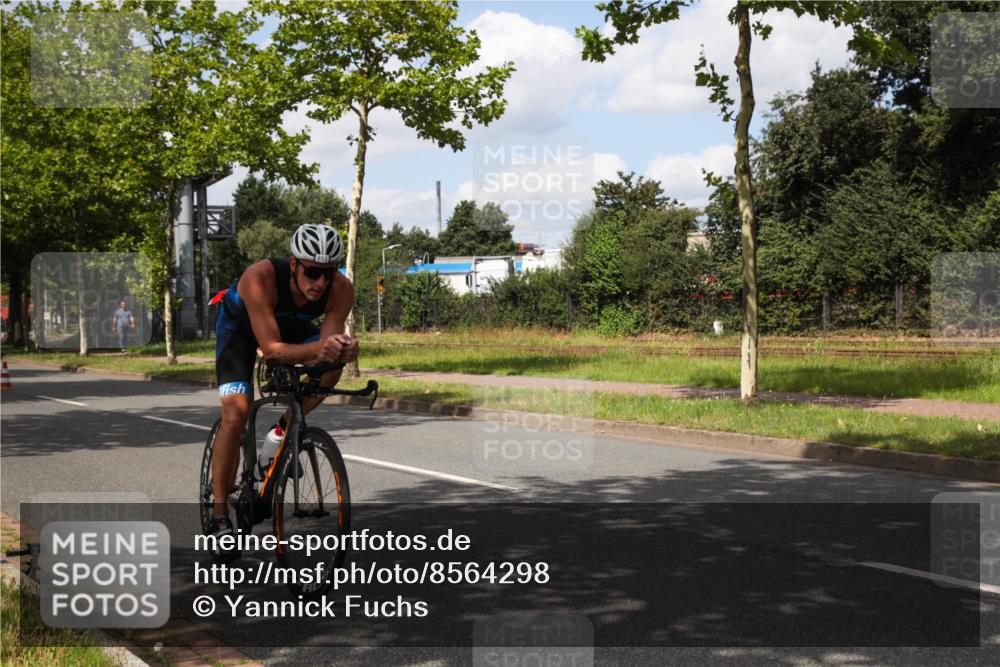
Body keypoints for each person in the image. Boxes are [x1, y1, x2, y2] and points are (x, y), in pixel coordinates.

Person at [209, 224, 359, 557]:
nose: (320, 282)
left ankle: (282, 431)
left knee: (331, 366)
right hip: (241, 331)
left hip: (289, 328)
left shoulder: (341, 290)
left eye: (328, 274)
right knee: (236, 415)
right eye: (312, 272)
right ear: (293, 265)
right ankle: (220, 516)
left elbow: (326, 348)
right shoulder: (259, 278)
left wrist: (342, 351)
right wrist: (323, 348)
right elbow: (273, 350)